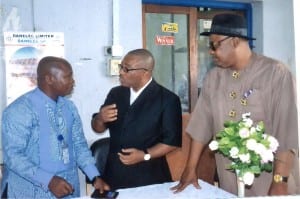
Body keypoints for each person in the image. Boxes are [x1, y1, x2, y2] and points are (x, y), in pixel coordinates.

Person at [171, 13, 299, 196]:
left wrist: (280, 181)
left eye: (215, 45)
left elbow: (286, 133)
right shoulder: (213, 78)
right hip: (229, 181)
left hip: (270, 181)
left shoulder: (276, 74)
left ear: (235, 41)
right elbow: (201, 126)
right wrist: (190, 168)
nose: (211, 52)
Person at [1, 56, 110, 198]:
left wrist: (95, 177)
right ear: (49, 79)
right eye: (68, 77)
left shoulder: (69, 107)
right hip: (31, 190)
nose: (73, 82)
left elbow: (79, 146)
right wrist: (49, 181)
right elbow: (13, 157)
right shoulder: (19, 110)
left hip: (67, 187)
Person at [91, 48, 182, 189]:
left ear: (145, 72)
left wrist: (144, 155)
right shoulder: (116, 94)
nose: (120, 72)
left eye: (126, 69)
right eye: (121, 67)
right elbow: (98, 128)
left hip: (149, 176)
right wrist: (100, 118)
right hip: (114, 175)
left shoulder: (167, 99)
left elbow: (172, 142)